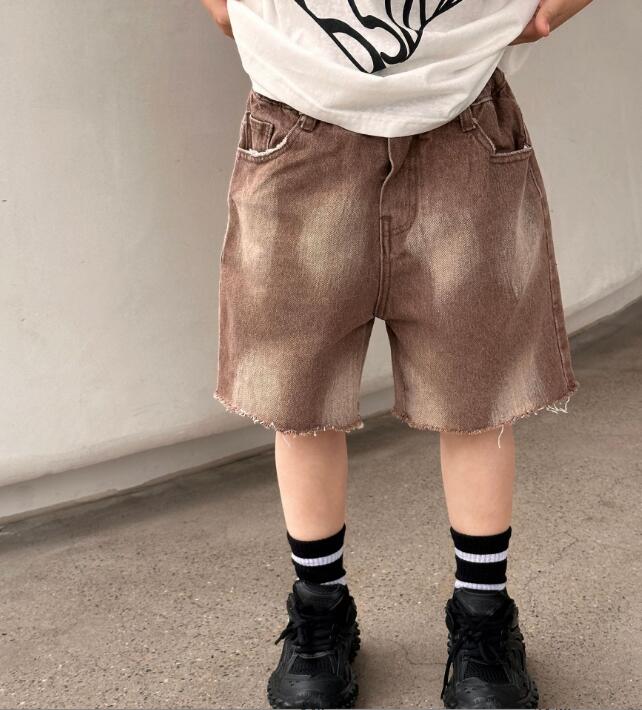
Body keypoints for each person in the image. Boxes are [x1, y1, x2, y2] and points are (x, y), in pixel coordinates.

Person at [203, 1, 592, 707]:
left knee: (476, 392)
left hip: (458, 119)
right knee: (302, 394)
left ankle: (481, 617)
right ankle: (320, 611)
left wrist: (539, 15)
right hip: (300, 115)